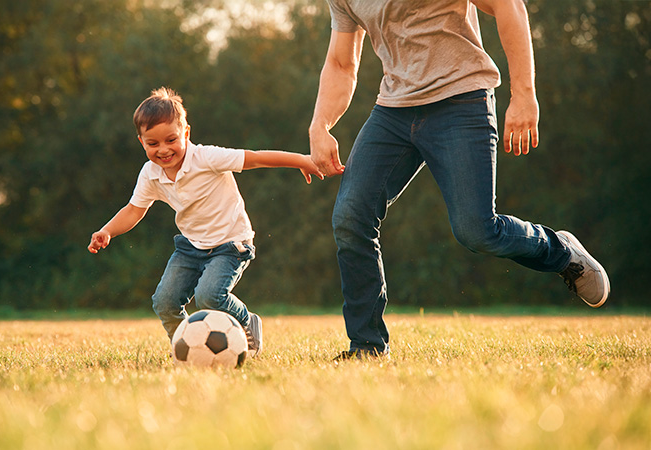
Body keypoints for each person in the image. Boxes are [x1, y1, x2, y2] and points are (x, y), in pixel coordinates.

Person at [308, 0, 610, 359]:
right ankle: (367, 346)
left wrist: (524, 95)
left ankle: (561, 252)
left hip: (461, 99)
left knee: (476, 230)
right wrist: (320, 124)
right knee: (350, 217)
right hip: (393, 110)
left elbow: (508, 6)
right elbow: (341, 63)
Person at [89, 87, 323, 357]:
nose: (163, 150)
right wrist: (108, 230)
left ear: (186, 133)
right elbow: (133, 210)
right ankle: (185, 348)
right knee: (164, 302)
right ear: (141, 142)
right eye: (153, 144)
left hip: (231, 244)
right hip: (191, 247)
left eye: (171, 140)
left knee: (209, 297)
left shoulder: (207, 158)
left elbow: (256, 158)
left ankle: (247, 322)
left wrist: (301, 161)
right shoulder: (150, 174)